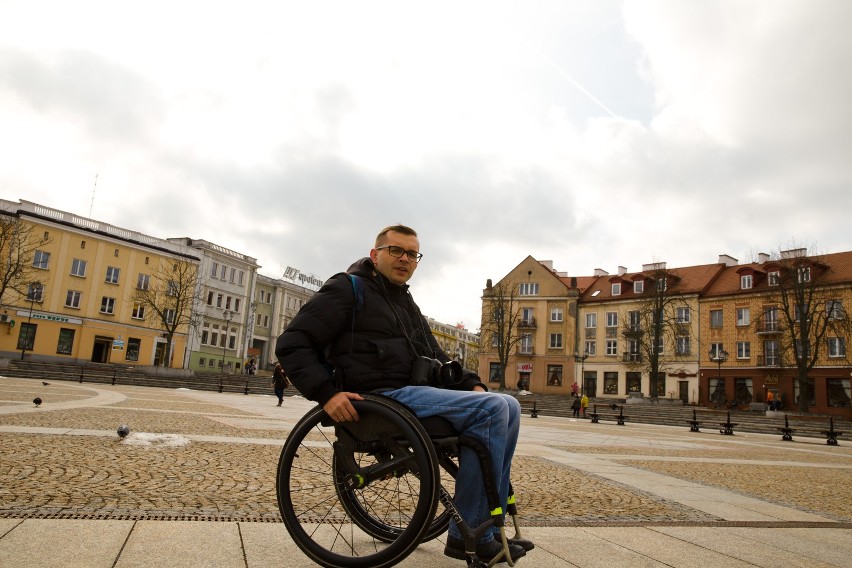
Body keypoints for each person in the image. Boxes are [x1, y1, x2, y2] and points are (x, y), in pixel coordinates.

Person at [276, 224, 531, 564]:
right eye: (396, 250)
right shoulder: (347, 289)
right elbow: (293, 344)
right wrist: (327, 394)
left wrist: (470, 383)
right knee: (491, 410)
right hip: (377, 397)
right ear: (375, 254)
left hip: (410, 393)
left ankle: (486, 523)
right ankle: (469, 533)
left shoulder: (406, 303)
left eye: (412, 254)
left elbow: (436, 356)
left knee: (508, 404)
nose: (405, 259)